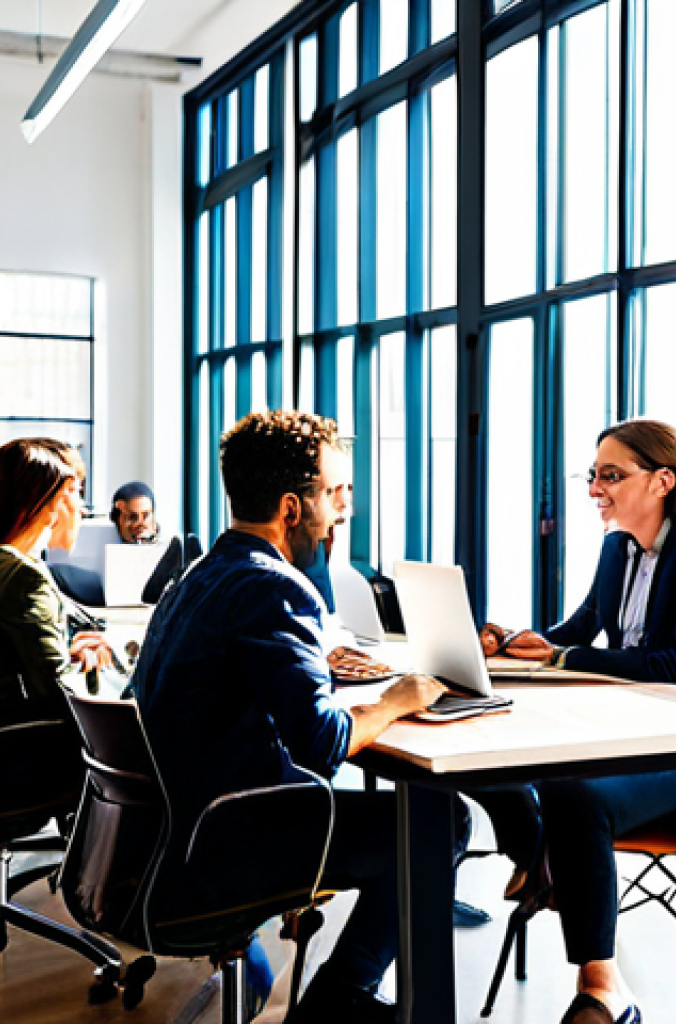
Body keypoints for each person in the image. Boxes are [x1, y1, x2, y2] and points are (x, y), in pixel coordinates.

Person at [130, 410, 446, 1023]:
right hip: (221, 846)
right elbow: (322, 742)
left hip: (160, 840)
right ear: (292, 509)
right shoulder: (273, 585)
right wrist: (396, 699)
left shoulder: (198, 576)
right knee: (440, 821)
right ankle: (338, 1001)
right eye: (331, 494)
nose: (341, 512)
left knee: (399, 817)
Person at [481, 418, 676, 1024]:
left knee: (573, 795)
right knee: (488, 760)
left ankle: (601, 985)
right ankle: (541, 856)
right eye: (594, 475)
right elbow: (579, 629)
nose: (594, 490)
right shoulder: (618, 548)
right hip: (632, 743)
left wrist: (562, 657)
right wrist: (510, 641)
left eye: (610, 476)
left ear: (663, 480)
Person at [0, 438, 113, 776]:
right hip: (13, 770)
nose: (80, 507)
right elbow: (65, 705)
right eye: (71, 493)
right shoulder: (24, 576)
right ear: (42, 504)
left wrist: (64, 655)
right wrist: (89, 669)